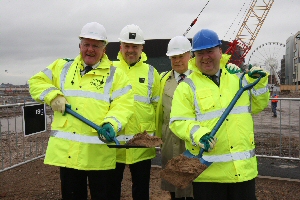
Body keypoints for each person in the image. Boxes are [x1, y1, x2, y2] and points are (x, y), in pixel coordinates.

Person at [28, 22, 134, 200]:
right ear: (80, 45)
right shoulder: (62, 67)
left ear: (104, 49)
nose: (90, 50)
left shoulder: (116, 75)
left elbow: (123, 105)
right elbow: (36, 82)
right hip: (69, 155)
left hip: (98, 154)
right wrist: (53, 95)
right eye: (86, 44)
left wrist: (112, 123)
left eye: (95, 45)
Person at [169, 29, 270, 200]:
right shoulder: (187, 87)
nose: (206, 57)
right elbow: (179, 121)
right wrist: (200, 135)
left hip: (242, 172)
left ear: (220, 51)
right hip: (209, 176)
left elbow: (258, 106)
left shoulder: (238, 79)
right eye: (200, 53)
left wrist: (259, 83)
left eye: (210, 51)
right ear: (194, 56)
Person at [111, 24, 161, 200]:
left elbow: (157, 108)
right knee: (111, 188)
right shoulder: (110, 69)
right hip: (113, 142)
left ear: (142, 48)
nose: (130, 50)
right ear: (121, 47)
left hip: (141, 143)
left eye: (135, 46)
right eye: (127, 46)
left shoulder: (151, 73)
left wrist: (157, 137)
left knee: (141, 190)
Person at [156, 36, 194, 200]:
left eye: (181, 56)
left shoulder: (199, 78)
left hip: (192, 141)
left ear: (190, 56)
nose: (177, 61)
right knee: (173, 187)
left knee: (194, 187)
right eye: (174, 57)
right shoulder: (163, 79)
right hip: (170, 142)